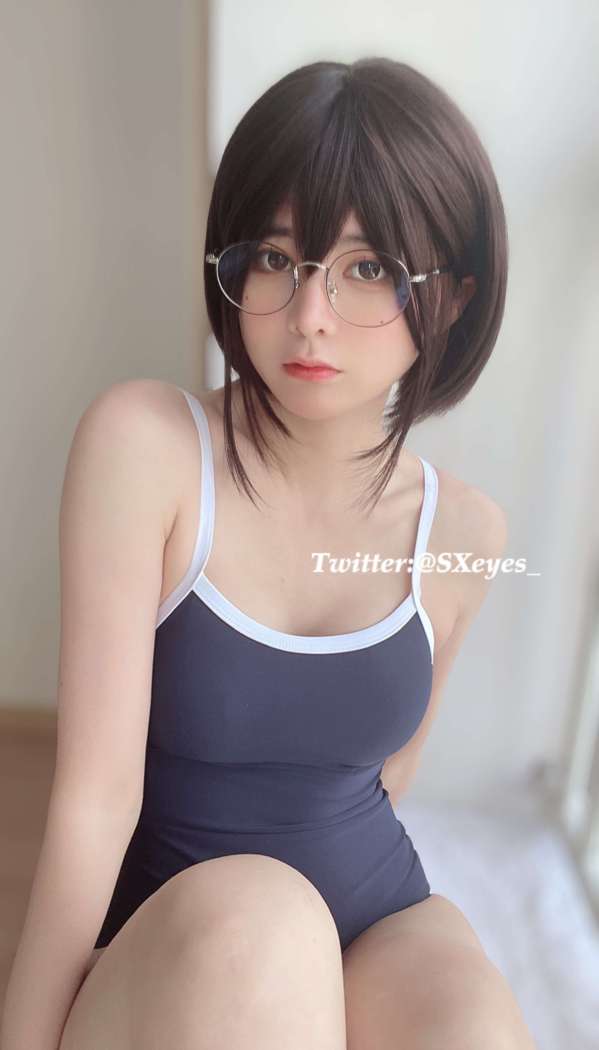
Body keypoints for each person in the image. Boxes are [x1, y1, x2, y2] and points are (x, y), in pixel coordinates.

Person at [1, 56, 538, 1050]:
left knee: (473, 1027)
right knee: (266, 925)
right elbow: (92, 806)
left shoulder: (466, 534)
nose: (309, 315)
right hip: (187, 942)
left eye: (367, 268)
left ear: (453, 297)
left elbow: (384, 781)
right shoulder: (146, 449)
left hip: (373, 913)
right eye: (277, 258)